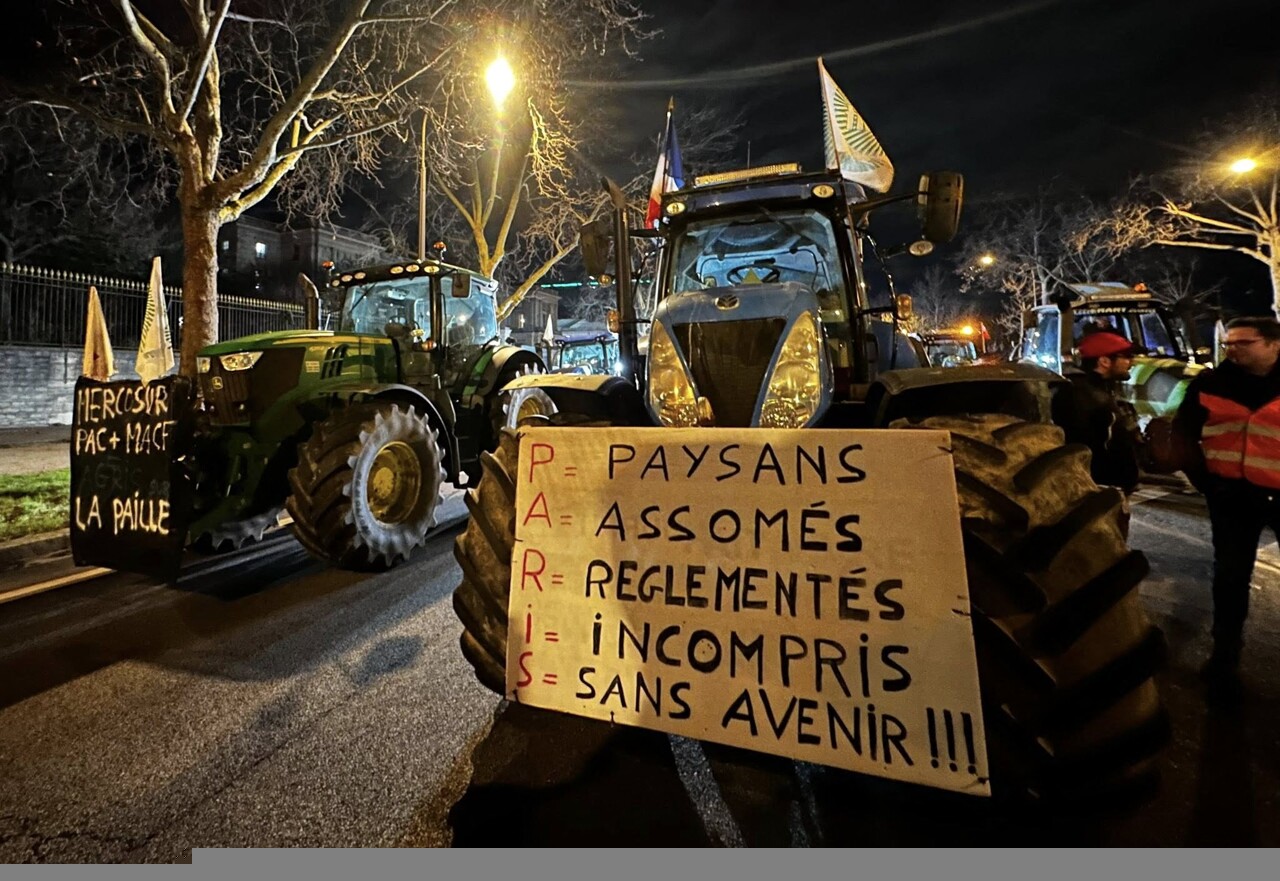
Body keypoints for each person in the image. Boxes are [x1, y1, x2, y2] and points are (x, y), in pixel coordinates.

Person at [1173, 315, 1280, 689]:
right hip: (1233, 498)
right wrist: (1207, 483)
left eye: (1243, 343)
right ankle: (1224, 660)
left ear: (1273, 344)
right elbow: (1183, 435)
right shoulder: (1210, 384)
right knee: (1231, 579)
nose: (1232, 349)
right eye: (1229, 343)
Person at [1051, 330, 1146, 494]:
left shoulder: (1099, 391)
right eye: (1127, 357)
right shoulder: (1083, 397)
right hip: (1099, 492)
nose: (1133, 362)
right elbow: (1089, 448)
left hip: (1109, 490)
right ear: (1104, 361)